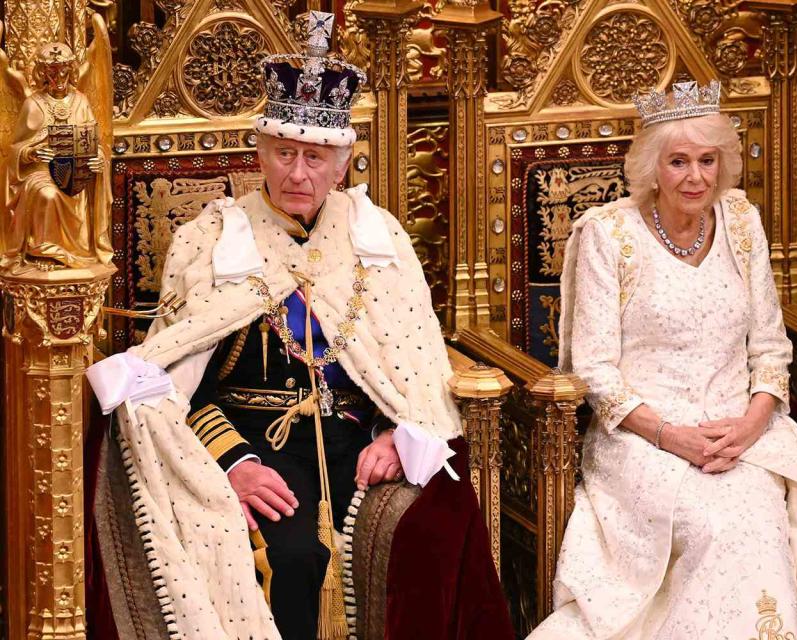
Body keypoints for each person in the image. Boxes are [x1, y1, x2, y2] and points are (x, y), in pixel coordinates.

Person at [87, 12, 511, 640]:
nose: (298, 174)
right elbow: (178, 383)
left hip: (357, 440)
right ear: (261, 152)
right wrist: (233, 465)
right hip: (251, 438)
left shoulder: (379, 239)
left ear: (342, 165)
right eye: (284, 153)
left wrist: (399, 432)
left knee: (429, 529)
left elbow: (412, 366)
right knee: (290, 557)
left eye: (315, 158)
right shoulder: (209, 241)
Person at [528, 80, 797, 639]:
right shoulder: (608, 236)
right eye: (678, 162)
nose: (695, 177)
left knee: (757, 520)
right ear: (652, 167)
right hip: (643, 437)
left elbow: (770, 348)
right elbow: (596, 372)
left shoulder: (742, 224)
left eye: (707, 160)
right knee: (707, 523)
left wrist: (748, 427)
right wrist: (674, 436)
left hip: (740, 433)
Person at [1, 42, 112, 269]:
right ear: (42, 73)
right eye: (52, 72)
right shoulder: (33, 104)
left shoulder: (80, 100)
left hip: (74, 172)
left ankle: (77, 251)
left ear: (71, 70)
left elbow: (93, 141)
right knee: (48, 194)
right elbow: (14, 150)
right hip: (40, 172)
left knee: (74, 191)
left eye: (64, 70)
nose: (59, 77)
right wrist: (31, 153)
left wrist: (98, 158)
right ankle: (43, 252)